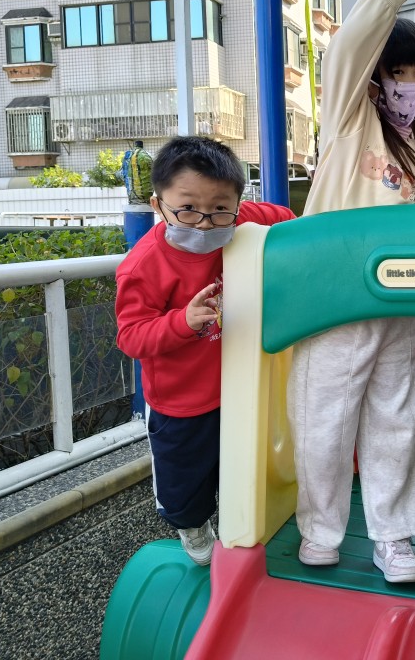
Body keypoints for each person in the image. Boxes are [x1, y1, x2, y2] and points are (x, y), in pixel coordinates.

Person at [287, 0, 415, 584]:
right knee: (323, 424)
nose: (411, 87)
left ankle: (394, 538)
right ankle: (321, 530)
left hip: (395, 311)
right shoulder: (347, 122)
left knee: (397, 424)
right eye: (399, 73)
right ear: (373, 79)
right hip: (332, 306)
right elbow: (349, 45)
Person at [115, 135, 294, 566]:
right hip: (182, 400)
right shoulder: (144, 266)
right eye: (188, 208)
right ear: (158, 205)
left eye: (219, 209)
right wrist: (182, 321)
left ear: (236, 203)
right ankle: (192, 524)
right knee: (185, 482)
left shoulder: (237, 220)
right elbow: (131, 337)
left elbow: (287, 221)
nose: (204, 223)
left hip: (240, 387)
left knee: (239, 469)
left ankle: (237, 521)